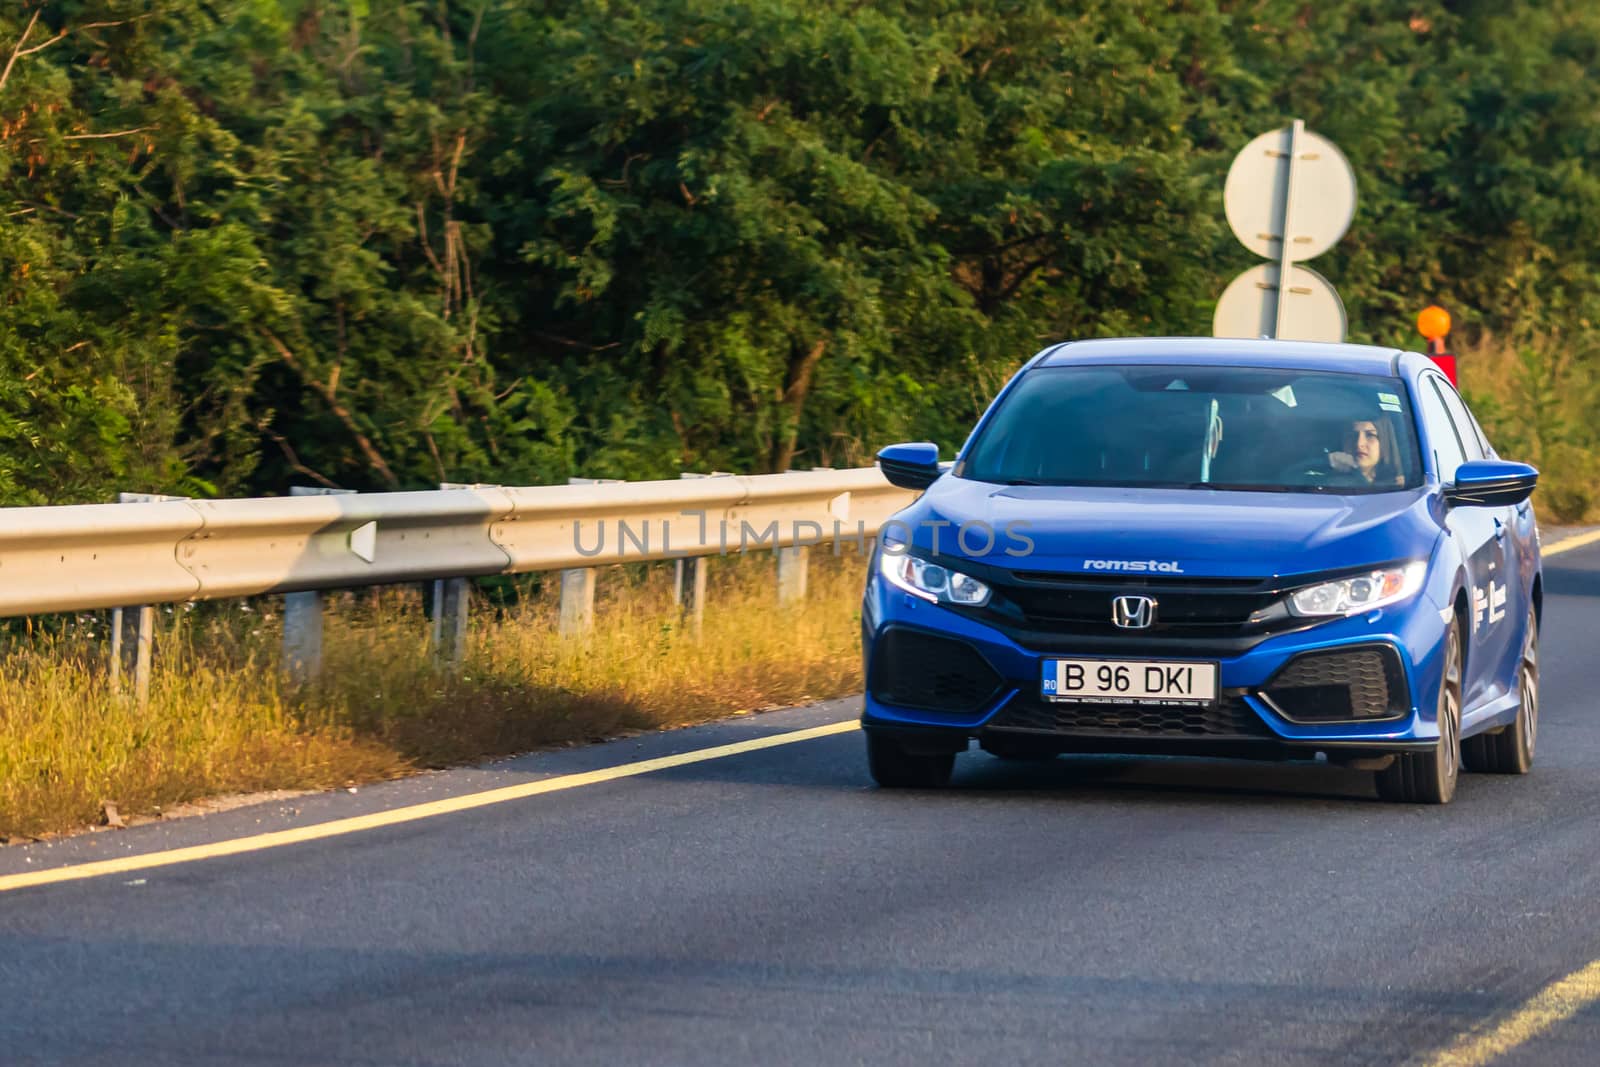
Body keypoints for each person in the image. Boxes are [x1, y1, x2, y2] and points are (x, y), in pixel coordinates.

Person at [1328, 415, 1405, 486]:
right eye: (1352, 435)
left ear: (1384, 443)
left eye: (1370, 435)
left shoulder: (1399, 487)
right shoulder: (1326, 484)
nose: (1359, 443)